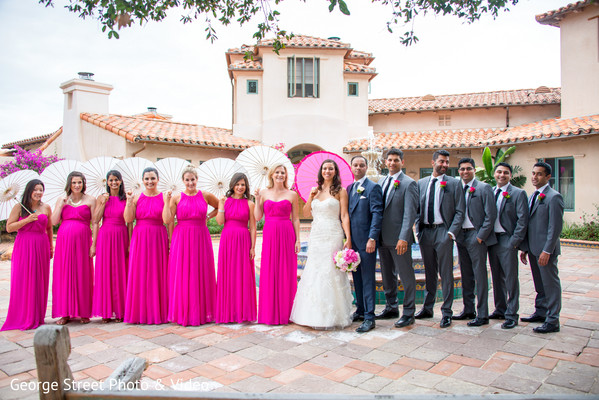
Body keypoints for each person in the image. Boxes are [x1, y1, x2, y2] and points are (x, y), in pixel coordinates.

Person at [290, 159, 354, 329]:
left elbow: (345, 216)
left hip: (333, 233)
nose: (327, 171)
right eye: (325, 168)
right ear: (321, 171)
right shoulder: (315, 191)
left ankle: (334, 315)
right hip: (317, 235)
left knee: (330, 271)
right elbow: (306, 213)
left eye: (331, 168)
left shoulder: (340, 191)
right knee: (314, 269)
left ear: (335, 171)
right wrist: (311, 197)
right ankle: (311, 313)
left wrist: (348, 237)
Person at [415, 150, 465, 328]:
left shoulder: (453, 184)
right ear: (433, 162)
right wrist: (417, 229)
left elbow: (460, 210)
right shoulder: (421, 183)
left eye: (447, 162)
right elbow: (416, 208)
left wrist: (451, 233)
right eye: (442, 162)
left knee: (446, 274)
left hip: (444, 231)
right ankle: (428, 307)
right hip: (425, 232)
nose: (445, 165)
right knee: (429, 272)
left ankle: (446, 312)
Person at [164, 166, 219, 326]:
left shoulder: (206, 195)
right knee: (183, 273)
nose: (190, 183)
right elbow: (168, 219)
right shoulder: (176, 198)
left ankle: (201, 312)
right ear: (183, 181)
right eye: (187, 180)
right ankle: (184, 312)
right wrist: (167, 201)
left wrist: (208, 216)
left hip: (201, 237)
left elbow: (219, 207)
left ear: (197, 179)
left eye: (193, 179)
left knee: (200, 271)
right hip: (181, 238)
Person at [1, 179, 53, 331]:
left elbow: (49, 228)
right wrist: (27, 220)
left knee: (39, 280)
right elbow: (9, 227)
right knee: (23, 279)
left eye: (41, 190)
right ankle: (23, 316)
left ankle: (37, 316)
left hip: (41, 245)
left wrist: (50, 247)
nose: (38, 192)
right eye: (35, 189)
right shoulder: (19, 207)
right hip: (24, 246)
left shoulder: (46, 207)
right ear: (29, 191)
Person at [519, 162, 564, 333]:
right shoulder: (533, 196)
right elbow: (530, 224)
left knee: (550, 285)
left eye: (539, 174)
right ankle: (541, 312)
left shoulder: (554, 197)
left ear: (548, 177)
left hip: (545, 251)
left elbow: (555, 228)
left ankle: (553, 320)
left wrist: (547, 250)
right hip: (533, 249)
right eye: (533, 173)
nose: (534, 177)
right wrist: (525, 247)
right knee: (539, 284)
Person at [376, 148, 418, 328]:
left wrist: (404, 238)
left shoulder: (409, 183)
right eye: (389, 160)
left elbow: (410, 214)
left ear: (402, 162)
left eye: (396, 160)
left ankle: (409, 313)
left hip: (400, 239)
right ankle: (391, 307)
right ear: (385, 162)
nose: (392, 163)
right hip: (383, 238)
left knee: (406, 276)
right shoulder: (382, 181)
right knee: (387, 275)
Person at [453, 158, 497, 326]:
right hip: (461, 236)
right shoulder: (457, 188)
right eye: (462, 169)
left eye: (469, 169)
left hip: (476, 235)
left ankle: (483, 314)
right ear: (458, 171)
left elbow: (490, 215)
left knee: (479, 275)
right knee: (466, 274)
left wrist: (481, 236)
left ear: (474, 170)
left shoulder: (483, 188)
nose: (465, 172)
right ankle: (468, 309)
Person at [254, 164, 300, 325]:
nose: (280, 175)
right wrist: (257, 199)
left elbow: (295, 219)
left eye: (283, 173)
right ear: (272, 175)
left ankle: (286, 312)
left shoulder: (292, 194)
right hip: (270, 233)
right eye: (277, 172)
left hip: (287, 233)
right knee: (270, 269)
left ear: (286, 176)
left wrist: (298, 239)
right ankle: (269, 312)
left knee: (286, 270)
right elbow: (258, 217)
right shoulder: (263, 192)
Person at [124, 167, 170, 324]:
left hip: (158, 236)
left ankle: (159, 311)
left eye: (152, 178)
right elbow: (128, 219)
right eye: (147, 179)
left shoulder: (164, 197)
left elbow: (168, 220)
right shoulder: (136, 198)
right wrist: (129, 202)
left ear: (158, 179)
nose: (150, 181)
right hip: (140, 237)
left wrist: (170, 240)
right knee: (140, 272)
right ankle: (140, 311)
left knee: (158, 272)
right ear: (142, 180)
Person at [52, 171, 97, 325]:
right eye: (74, 183)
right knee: (64, 273)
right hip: (64, 241)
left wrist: (94, 244)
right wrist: (60, 205)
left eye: (80, 182)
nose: (77, 185)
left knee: (82, 273)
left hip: (83, 240)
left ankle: (84, 311)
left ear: (83, 184)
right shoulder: (62, 199)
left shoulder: (91, 200)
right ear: (69, 184)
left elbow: (96, 222)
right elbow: (54, 221)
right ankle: (64, 313)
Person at [487, 162, 528, 329]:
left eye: (505, 173)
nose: (501, 175)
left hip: (507, 239)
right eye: (499, 172)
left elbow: (522, 220)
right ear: (494, 174)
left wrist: (514, 242)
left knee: (511, 278)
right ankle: (500, 308)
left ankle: (512, 314)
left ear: (510, 175)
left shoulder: (518, 194)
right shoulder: (490, 191)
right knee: (496, 277)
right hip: (492, 240)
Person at [347, 155, 383, 333]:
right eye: (355, 165)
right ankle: (360, 310)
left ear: (366, 167)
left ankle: (370, 316)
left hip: (367, 241)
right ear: (351, 167)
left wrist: (372, 238)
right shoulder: (349, 188)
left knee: (368, 278)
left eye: (361, 165)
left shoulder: (373, 188)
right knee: (357, 277)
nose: (358, 168)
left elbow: (377, 213)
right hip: (353, 242)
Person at [215, 173, 257, 323]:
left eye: (243, 185)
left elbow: (252, 227)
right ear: (232, 185)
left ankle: (242, 312)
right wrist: (220, 205)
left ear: (246, 187)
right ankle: (228, 312)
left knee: (243, 274)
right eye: (238, 184)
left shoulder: (250, 203)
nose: (240, 187)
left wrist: (253, 247)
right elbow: (220, 222)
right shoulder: (225, 201)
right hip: (227, 240)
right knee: (227, 274)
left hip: (243, 240)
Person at [92, 170, 130, 323]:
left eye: (116, 180)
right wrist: (102, 203)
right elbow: (95, 219)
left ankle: (120, 311)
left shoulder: (126, 198)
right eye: (111, 180)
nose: (114, 183)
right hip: (106, 235)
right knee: (105, 271)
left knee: (121, 271)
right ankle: (106, 312)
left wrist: (130, 241)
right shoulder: (101, 198)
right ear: (107, 182)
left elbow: (129, 222)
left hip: (121, 234)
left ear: (120, 181)